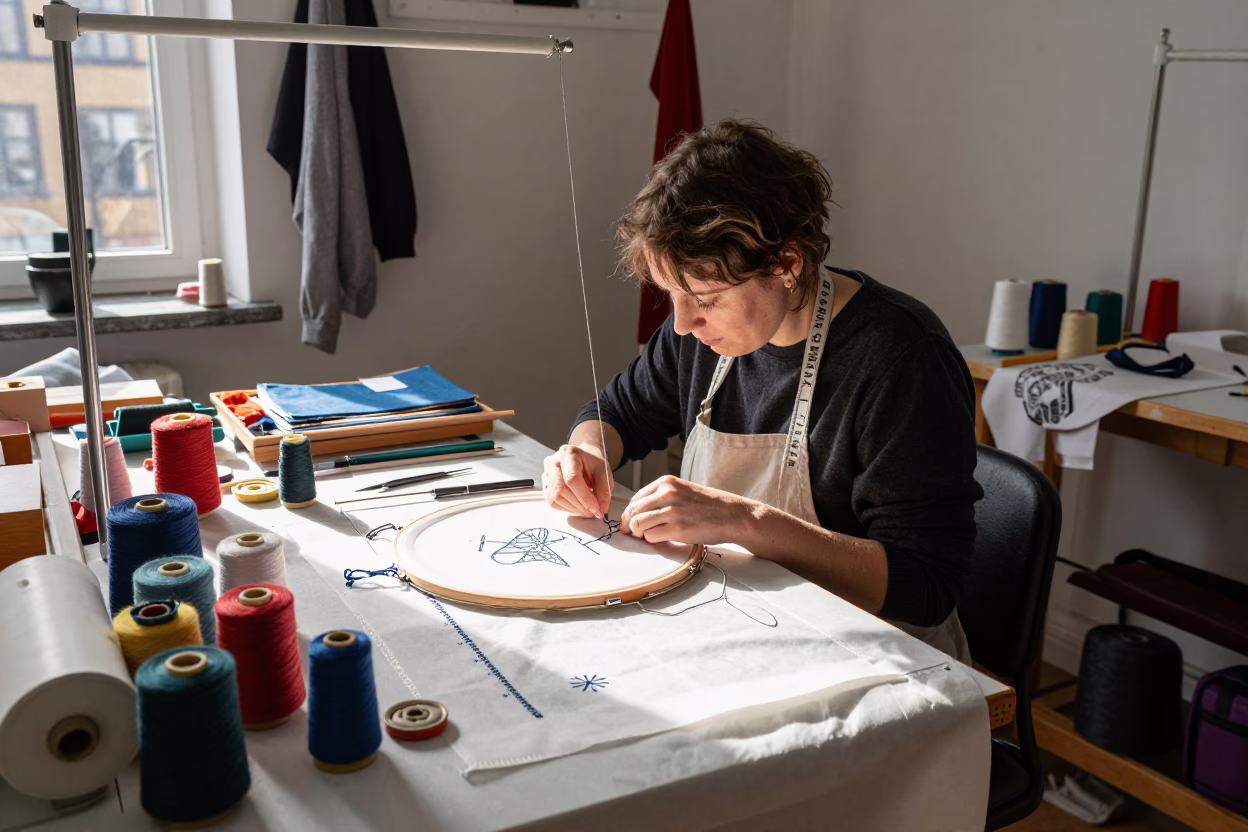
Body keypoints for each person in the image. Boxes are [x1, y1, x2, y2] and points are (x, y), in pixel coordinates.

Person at [541, 119, 981, 661]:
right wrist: (585, 451)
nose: (682, 325)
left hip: (880, 655)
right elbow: (617, 412)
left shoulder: (901, 359)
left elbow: (926, 585)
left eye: (704, 298)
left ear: (787, 264)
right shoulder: (702, 332)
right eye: (670, 294)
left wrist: (745, 521)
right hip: (751, 627)